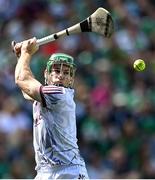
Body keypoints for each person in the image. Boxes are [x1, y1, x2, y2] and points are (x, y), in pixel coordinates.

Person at [13, 37, 89, 179]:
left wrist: (26, 53)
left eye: (66, 73)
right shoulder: (44, 96)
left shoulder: (60, 94)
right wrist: (21, 57)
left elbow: (21, 80)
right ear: (46, 74)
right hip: (44, 172)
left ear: (71, 78)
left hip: (68, 172)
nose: (61, 75)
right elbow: (26, 91)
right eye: (56, 70)